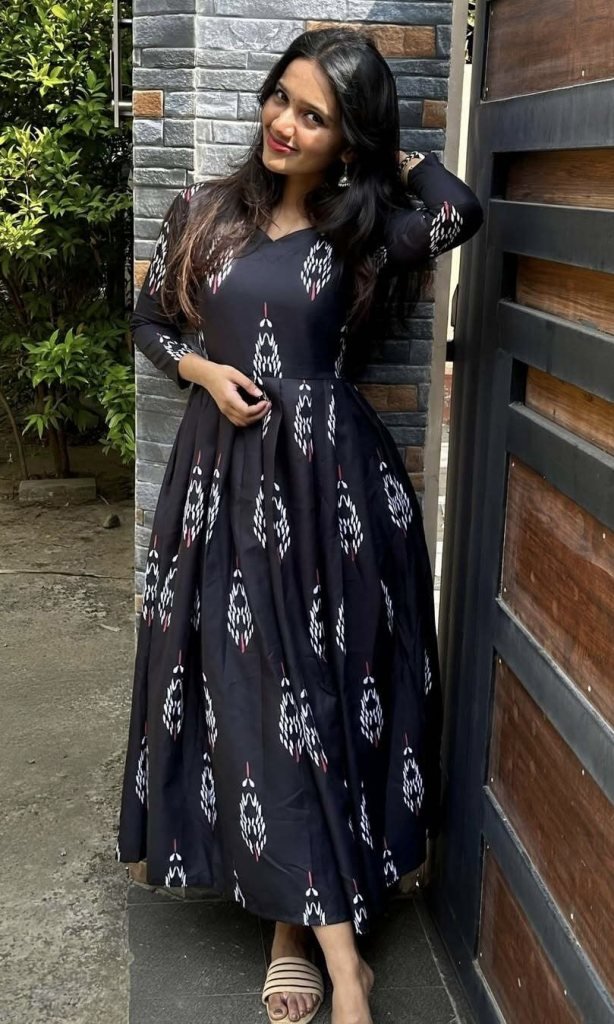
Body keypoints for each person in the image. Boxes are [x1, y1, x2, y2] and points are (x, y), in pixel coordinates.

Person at [115, 26, 483, 1024]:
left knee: (318, 695)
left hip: (333, 494)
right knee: (255, 692)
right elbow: (148, 323)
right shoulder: (201, 210)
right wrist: (199, 368)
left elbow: (459, 210)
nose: (283, 123)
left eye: (314, 116)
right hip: (223, 484)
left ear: (346, 139)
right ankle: (341, 961)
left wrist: (392, 156)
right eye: (281, 97)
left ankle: (304, 938)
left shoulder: (361, 232)